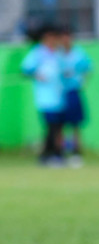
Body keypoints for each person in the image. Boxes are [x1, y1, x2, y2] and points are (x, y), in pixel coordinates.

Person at [20, 23, 67, 166]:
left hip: (59, 96)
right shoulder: (37, 53)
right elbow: (25, 70)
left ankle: (54, 154)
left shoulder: (58, 53)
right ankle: (49, 155)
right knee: (51, 127)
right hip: (45, 98)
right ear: (46, 37)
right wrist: (36, 75)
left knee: (58, 126)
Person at [59, 24, 92, 162]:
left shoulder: (79, 54)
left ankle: (76, 151)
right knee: (59, 124)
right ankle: (60, 151)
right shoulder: (57, 53)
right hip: (60, 93)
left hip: (73, 91)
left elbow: (88, 69)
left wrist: (82, 83)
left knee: (75, 123)